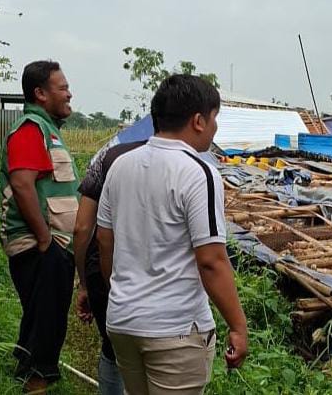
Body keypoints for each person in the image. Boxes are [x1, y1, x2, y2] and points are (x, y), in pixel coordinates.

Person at [97, 75, 248, 394]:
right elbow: (211, 261)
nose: (215, 127)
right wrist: (238, 325)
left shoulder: (121, 166)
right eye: (214, 118)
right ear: (198, 121)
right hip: (173, 329)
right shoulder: (198, 172)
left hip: (122, 321)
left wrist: (123, 292)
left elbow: (104, 241)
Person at [0, 60, 78, 392]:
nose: (69, 94)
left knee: (41, 318)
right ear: (40, 93)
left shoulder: (48, 130)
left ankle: (25, 372)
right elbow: (22, 185)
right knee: (46, 323)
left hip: (48, 244)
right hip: (38, 245)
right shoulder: (31, 129)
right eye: (62, 87)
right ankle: (35, 383)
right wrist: (45, 240)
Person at [73, 137, 147, 395]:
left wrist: (84, 285)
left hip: (105, 266)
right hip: (156, 273)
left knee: (112, 344)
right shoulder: (187, 162)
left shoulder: (108, 155)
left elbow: (82, 227)